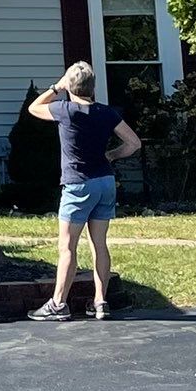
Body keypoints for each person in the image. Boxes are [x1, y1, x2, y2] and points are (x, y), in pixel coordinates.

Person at [27, 62, 141, 319]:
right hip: (105, 182)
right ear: (93, 87)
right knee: (99, 244)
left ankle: (58, 304)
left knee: (67, 246)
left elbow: (33, 108)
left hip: (78, 184)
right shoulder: (106, 112)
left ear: (70, 86)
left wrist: (57, 86)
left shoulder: (65, 110)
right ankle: (100, 302)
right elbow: (134, 143)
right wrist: (111, 155)